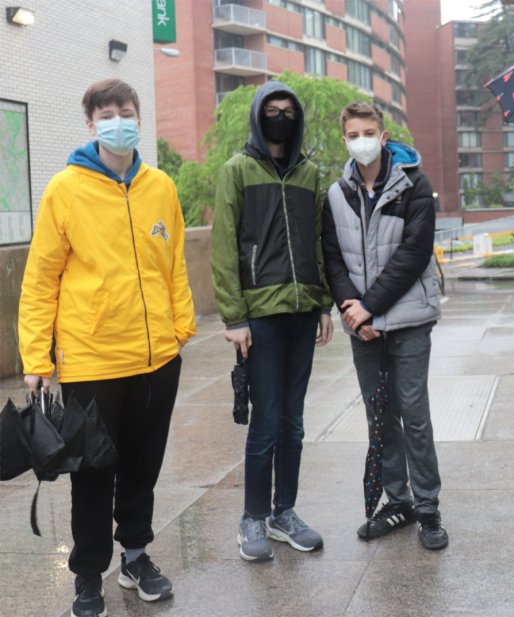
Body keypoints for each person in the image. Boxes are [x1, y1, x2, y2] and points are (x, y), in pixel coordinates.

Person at [18, 78, 196, 617]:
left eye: (127, 111)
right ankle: (89, 573)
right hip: (92, 360)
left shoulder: (160, 185)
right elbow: (40, 277)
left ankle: (137, 555)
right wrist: (36, 358)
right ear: (91, 125)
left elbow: (176, 265)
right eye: (107, 114)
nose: (119, 120)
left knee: (143, 466)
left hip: (156, 359)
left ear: (137, 118)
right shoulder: (65, 189)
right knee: (93, 474)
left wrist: (180, 329)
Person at [211, 80, 334, 562]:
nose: (280, 117)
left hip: (302, 315)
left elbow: (319, 241)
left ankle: (285, 512)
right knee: (265, 423)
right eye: (272, 110)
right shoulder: (236, 171)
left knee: (295, 423)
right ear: (259, 117)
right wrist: (234, 316)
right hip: (258, 318)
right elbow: (223, 248)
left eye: (288, 111)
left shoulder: (309, 175)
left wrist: (323, 303)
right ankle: (252, 518)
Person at [321, 101, 447, 550]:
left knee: (413, 414)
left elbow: (413, 255)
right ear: (344, 139)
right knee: (380, 417)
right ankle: (400, 500)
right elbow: (332, 257)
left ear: (384, 135)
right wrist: (351, 309)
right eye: (353, 134)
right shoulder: (337, 192)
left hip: (408, 319)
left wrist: (369, 306)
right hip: (364, 325)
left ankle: (429, 508)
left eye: (368, 132)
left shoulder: (413, 185)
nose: (361, 141)